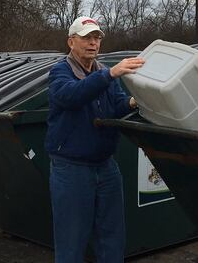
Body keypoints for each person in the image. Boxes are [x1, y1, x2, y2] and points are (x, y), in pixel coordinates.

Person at [45, 16, 145, 263]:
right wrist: (110, 74)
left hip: (106, 166)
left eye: (97, 38)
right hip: (71, 168)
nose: (93, 43)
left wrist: (135, 101)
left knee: (112, 237)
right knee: (71, 241)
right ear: (71, 42)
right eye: (86, 38)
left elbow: (117, 105)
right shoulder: (60, 72)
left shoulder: (103, 72)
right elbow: (71, 96)